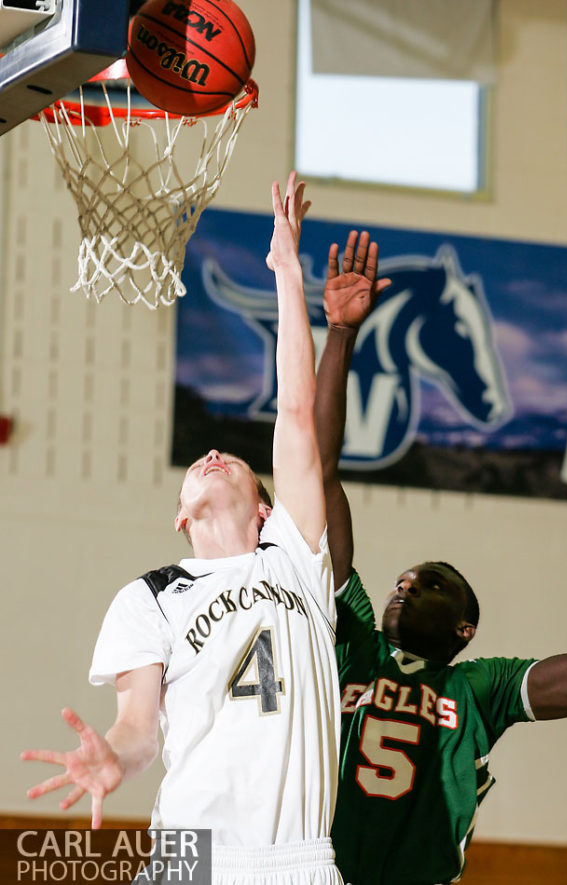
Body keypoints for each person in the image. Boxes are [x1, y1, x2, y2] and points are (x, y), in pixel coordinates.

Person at [22, 172, 344, 885]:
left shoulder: (294, 558)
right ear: (179, 515)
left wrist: (288, 270)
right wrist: (115, 756)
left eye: (231, 458)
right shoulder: (150, 595)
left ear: (267, 508)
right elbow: (140, 724)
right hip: (189, 856)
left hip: (296, 861)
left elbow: (295, 413)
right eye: (199, 463)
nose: (211, 455)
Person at [314, 230, 567, 885]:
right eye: (404, 581)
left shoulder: (479, 688)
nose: (406, 586)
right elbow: (321, 472)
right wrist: (340, 336)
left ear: (465, 628)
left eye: (430, 584)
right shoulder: (354, 640)